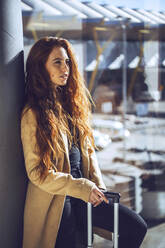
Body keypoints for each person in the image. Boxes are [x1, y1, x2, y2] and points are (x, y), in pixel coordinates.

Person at [21, 37, 147, 248]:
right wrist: (82, 187)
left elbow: (89, 155)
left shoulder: (71, 106)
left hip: (86, 192)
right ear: (40, 67)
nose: (66, 68)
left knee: (135, 226)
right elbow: (37, 173)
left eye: (67, 61)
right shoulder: (32, 113)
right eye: (57, 62)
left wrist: (99, 188)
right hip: (59, 199)